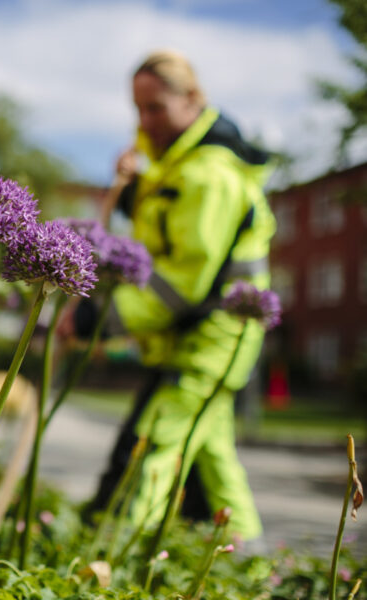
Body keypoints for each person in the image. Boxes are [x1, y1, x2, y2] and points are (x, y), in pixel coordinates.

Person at [63, 49, 276, 542]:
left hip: (213, 340)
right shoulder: (175, 171)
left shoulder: (211, 175)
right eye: (137, 109)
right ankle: (252, 567)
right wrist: (137, 190)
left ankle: (107, 563)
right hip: (191, 341)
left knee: (147, 450)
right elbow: (163, 236)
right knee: (212, 459)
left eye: (155, 108)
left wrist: (97, 314)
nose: (145, 121)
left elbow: (181, 283)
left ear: (193, 99)